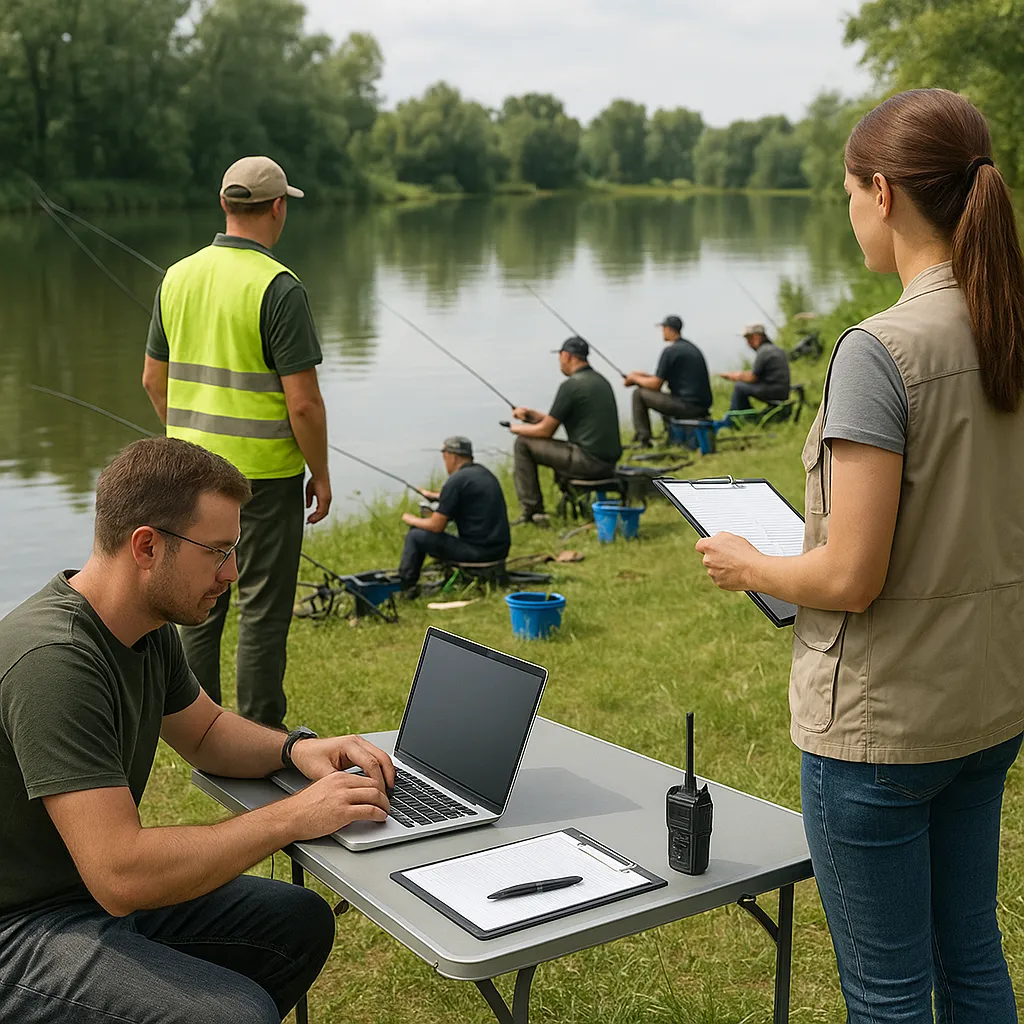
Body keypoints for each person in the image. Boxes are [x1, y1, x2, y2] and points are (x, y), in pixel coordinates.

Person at [694, 89, 1024, 1023]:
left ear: (881, 193)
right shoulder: (1009, 325)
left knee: (886, 995)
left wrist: (746, 565)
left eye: (847, 196)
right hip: (989, 705)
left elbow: (848, 576)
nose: (849, 217)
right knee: (972, 963)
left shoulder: (881, 351)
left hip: (884, 730)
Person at [0, 437, 395, 1023]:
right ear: (146, 546)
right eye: (217, 551)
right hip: (19, 926)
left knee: (298, 923)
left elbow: (206, 732)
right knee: (235, 1015)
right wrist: (295, 815)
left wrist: (299, 749)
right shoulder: (54, 660)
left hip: (80, 897)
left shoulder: (144, 624)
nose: (231, 573)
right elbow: (121, 874)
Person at [142, 155, 331, 729]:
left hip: (190, 476)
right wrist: (319, 474)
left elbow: (154, 379)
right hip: (264, 481)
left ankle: (200, 727)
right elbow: (302, 402)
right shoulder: (279, 287)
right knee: (263, 610)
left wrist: (186, 439)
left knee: (199, 603)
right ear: (278, 207)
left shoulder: (177, 276)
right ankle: (259, 734)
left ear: (224, 205)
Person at [508, 337, 623, 525]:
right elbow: (556, 420)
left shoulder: (571, 386)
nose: (559, 362)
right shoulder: (599, 380)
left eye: (560, 357)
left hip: (588, 461)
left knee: (522, 443)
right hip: (608, 462)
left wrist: (516, 429)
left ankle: (532, 511)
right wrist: (530, 416)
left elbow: (546, 432)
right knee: (530, 438)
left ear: (567, 356)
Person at [397, 436, 511, 595]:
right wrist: (435, 496)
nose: (445, 462)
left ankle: (406, 586)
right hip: (498, 551)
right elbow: (464, 496)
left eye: (445, 457)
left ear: (453, 457)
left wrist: (410, 519)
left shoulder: (456, 481)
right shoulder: (483, 473)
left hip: (479, 554)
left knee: (416, 536)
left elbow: (436, 526)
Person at [625, 314, 712, 446]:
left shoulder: (670, 351)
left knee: (639, 394)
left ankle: (643, 440)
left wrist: (634, 378)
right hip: (701, 405)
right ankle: (666, 433)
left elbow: (655, 385)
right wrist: (642, 377)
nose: (662, 332)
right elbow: (662, 379)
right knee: (660, 395)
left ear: (669, 329)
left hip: (688, 406)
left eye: (663, 328)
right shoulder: (689, 347)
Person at [719, 323, 790, 412]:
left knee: (739, 387)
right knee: (742, 385)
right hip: (782, 391)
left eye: (749, 339)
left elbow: (752, 377)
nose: (748, 344)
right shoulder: (775, 349)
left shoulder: (763, 352)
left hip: (774, 392)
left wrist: (734, 376)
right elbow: (758, 373)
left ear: (756, 337)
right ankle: (747, 414)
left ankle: (736, 417)